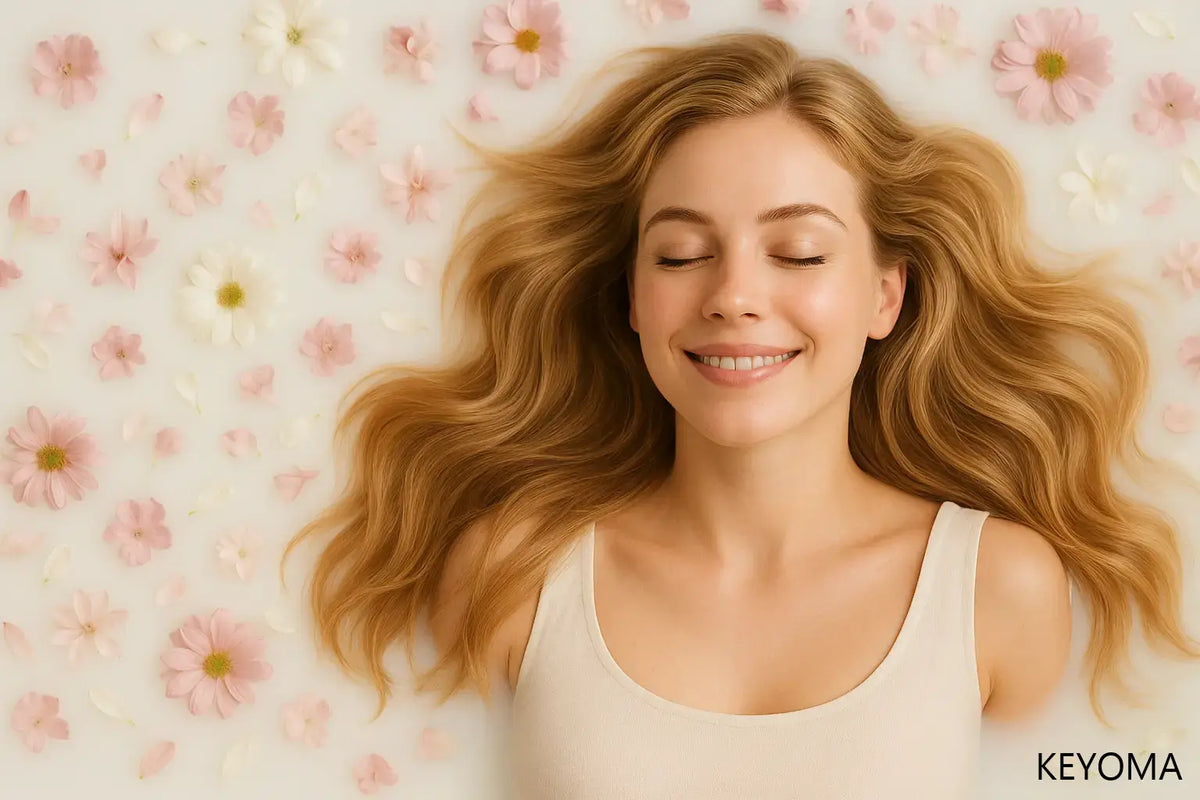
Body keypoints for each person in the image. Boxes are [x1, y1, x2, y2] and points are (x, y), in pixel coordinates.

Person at [280, 30, 1200, 799]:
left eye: (798, 253)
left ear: (886, 297)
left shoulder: (998, 589)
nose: (734, 297)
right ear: (632, 298)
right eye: (681, 255)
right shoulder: (513, 577)